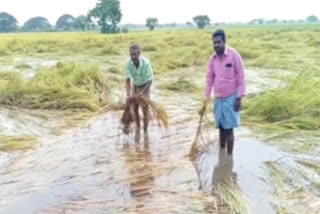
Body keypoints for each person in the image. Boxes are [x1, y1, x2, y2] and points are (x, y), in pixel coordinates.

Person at [201, 29, 246, 155]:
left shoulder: (233, 55)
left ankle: (229, 157)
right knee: (220, 127)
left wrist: (239, 98)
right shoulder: (212, 59)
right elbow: (209, 80)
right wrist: (206, 99)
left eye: (218, 42)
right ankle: (222, 153)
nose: (216, 45)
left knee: (229, 129)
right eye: (214, 43)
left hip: (231, 97)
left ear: (224, 42)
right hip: (218, 98)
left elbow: (241, 75)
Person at [124, 44, 154, 134]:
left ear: (139, 54)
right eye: (131, 54)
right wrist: (128, 94)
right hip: (136, 85)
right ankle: (138, 128)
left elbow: (150, 80)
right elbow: (127, 80)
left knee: (145, 109)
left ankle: (145, 130)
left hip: (145, 86)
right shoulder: (128, 63)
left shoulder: (146, 63)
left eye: (135, 55)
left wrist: (141, 93)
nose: (133, 57)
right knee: (135, 108)